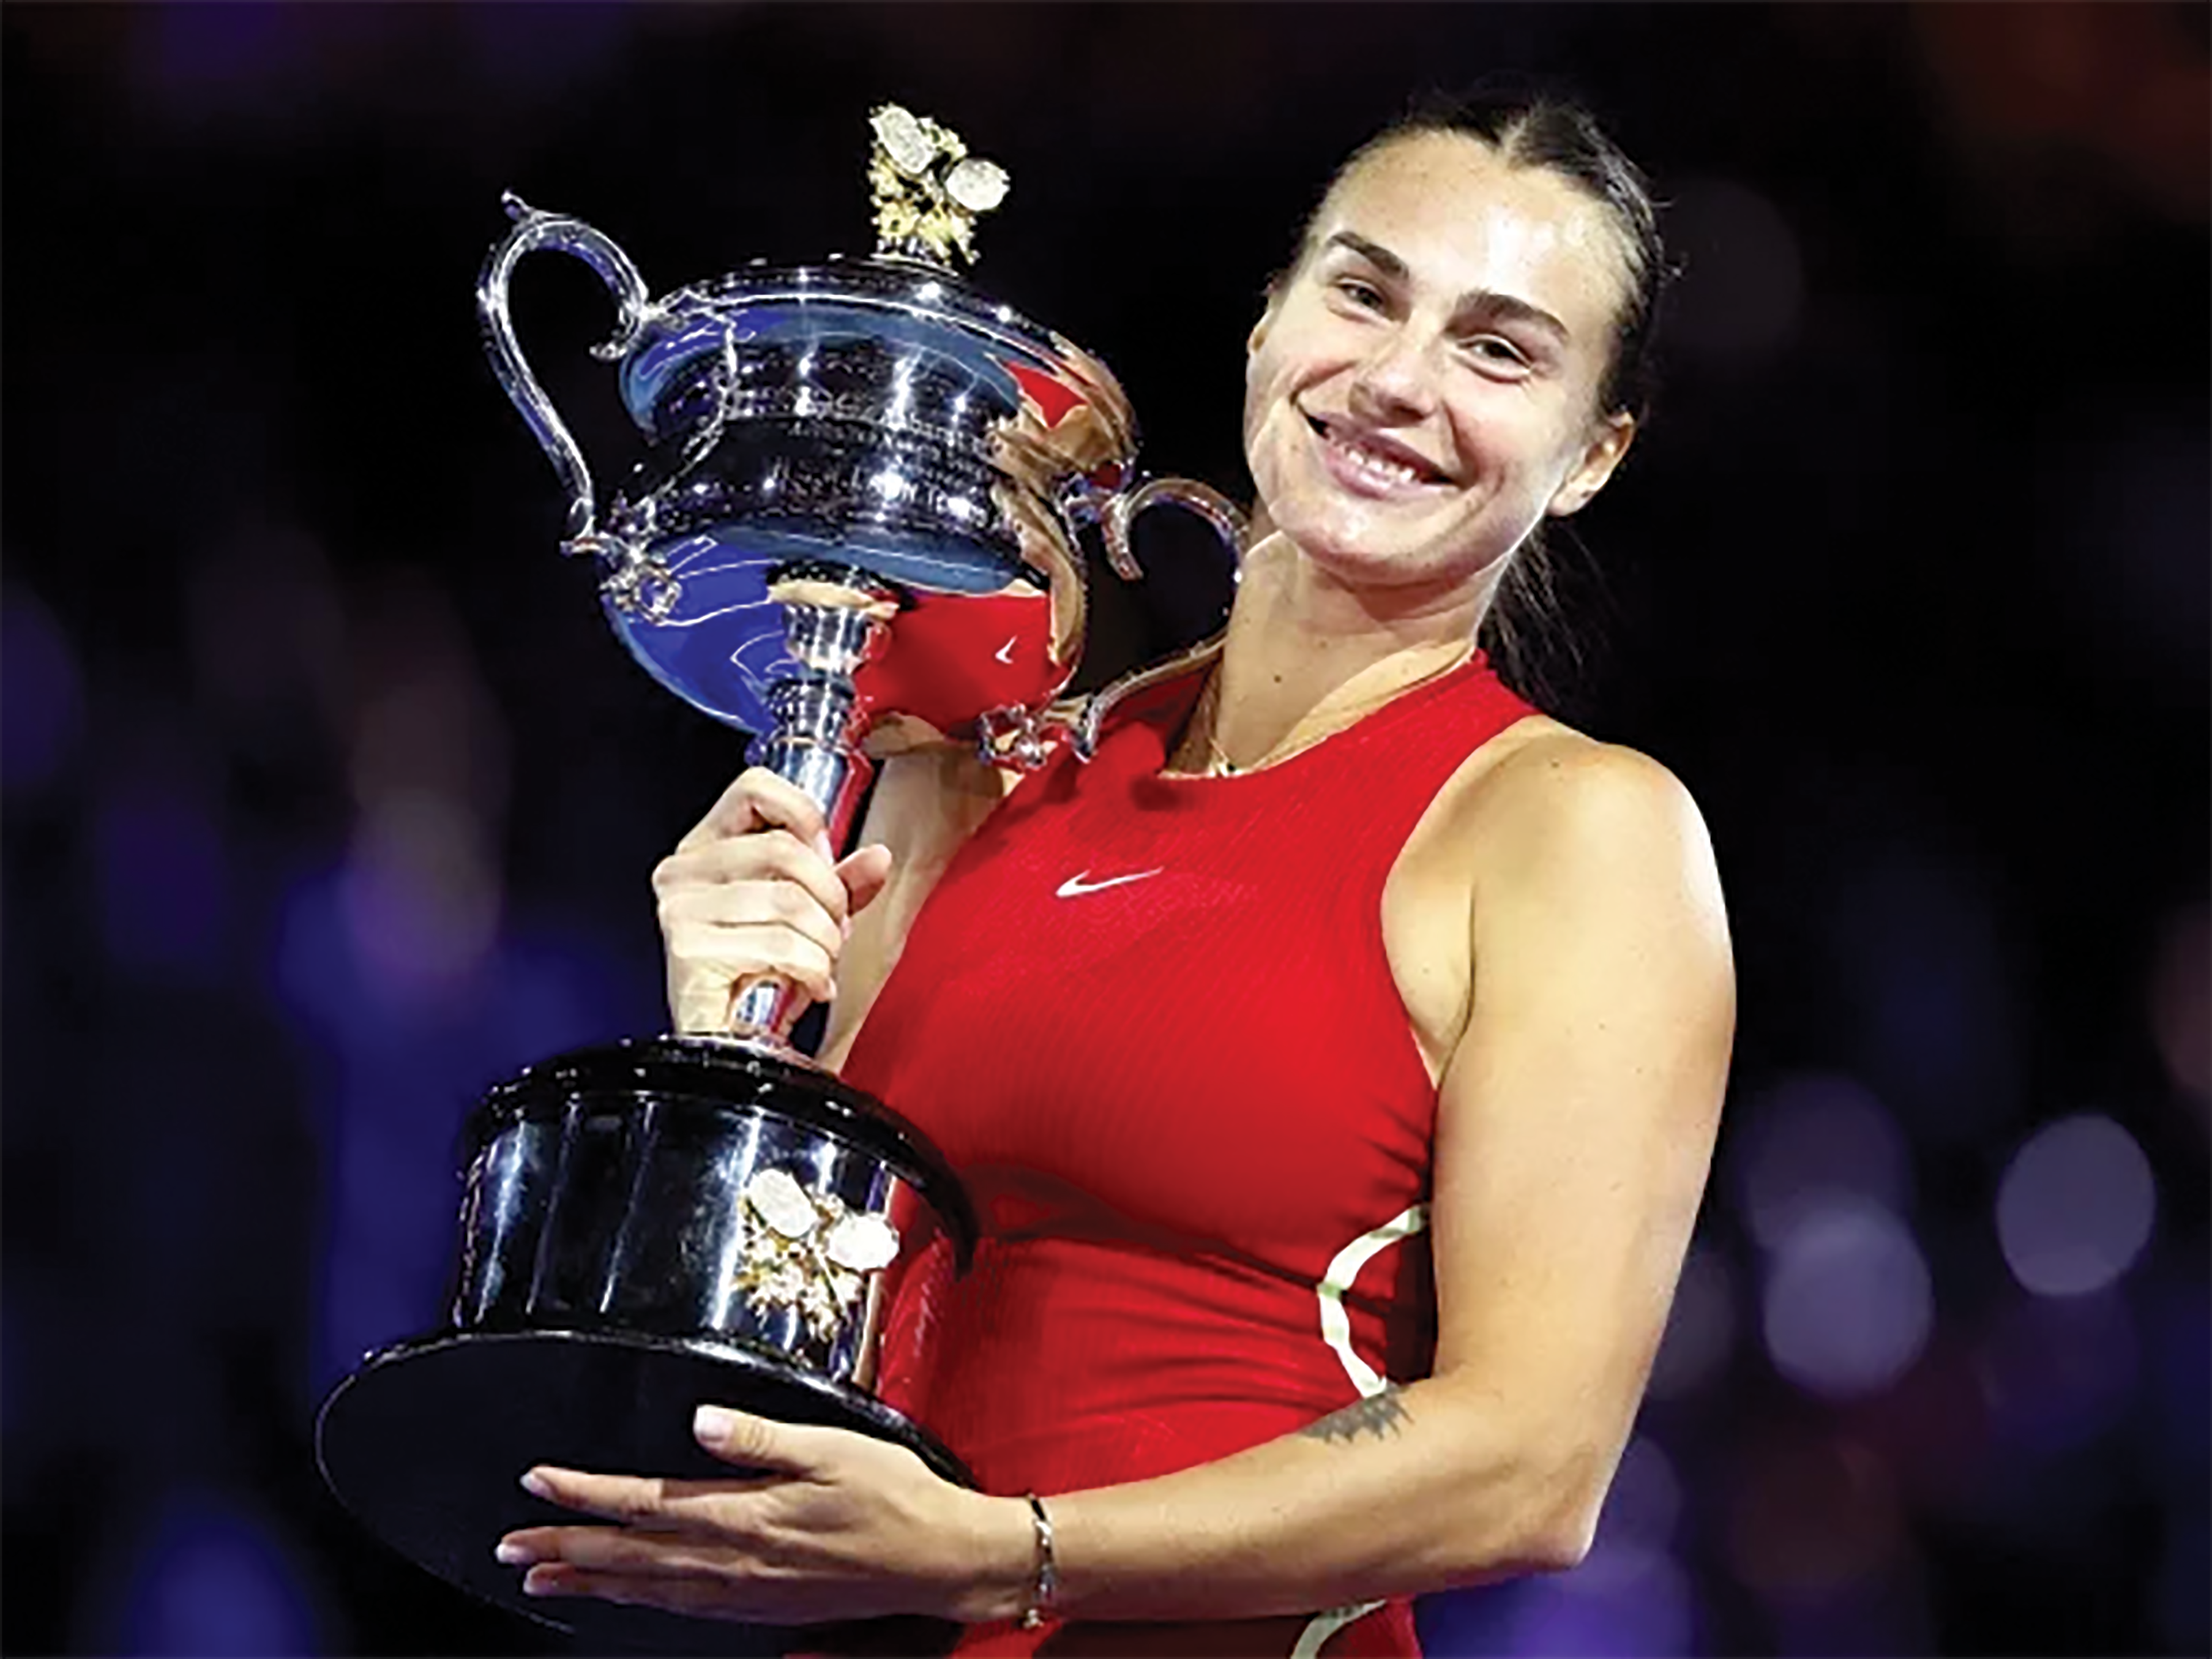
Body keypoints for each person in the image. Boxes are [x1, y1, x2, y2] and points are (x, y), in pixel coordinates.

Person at [491, 90, 1735, 1657]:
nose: (1399, 381)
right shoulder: (973, 769)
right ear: (1266, 322)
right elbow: (820, 1303)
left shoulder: (1573, 831)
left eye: (1499, 349)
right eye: (1362, 292)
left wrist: (1005, 1551)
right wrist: (730, 1040)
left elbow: (1531, 1464)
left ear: (1588, 456)